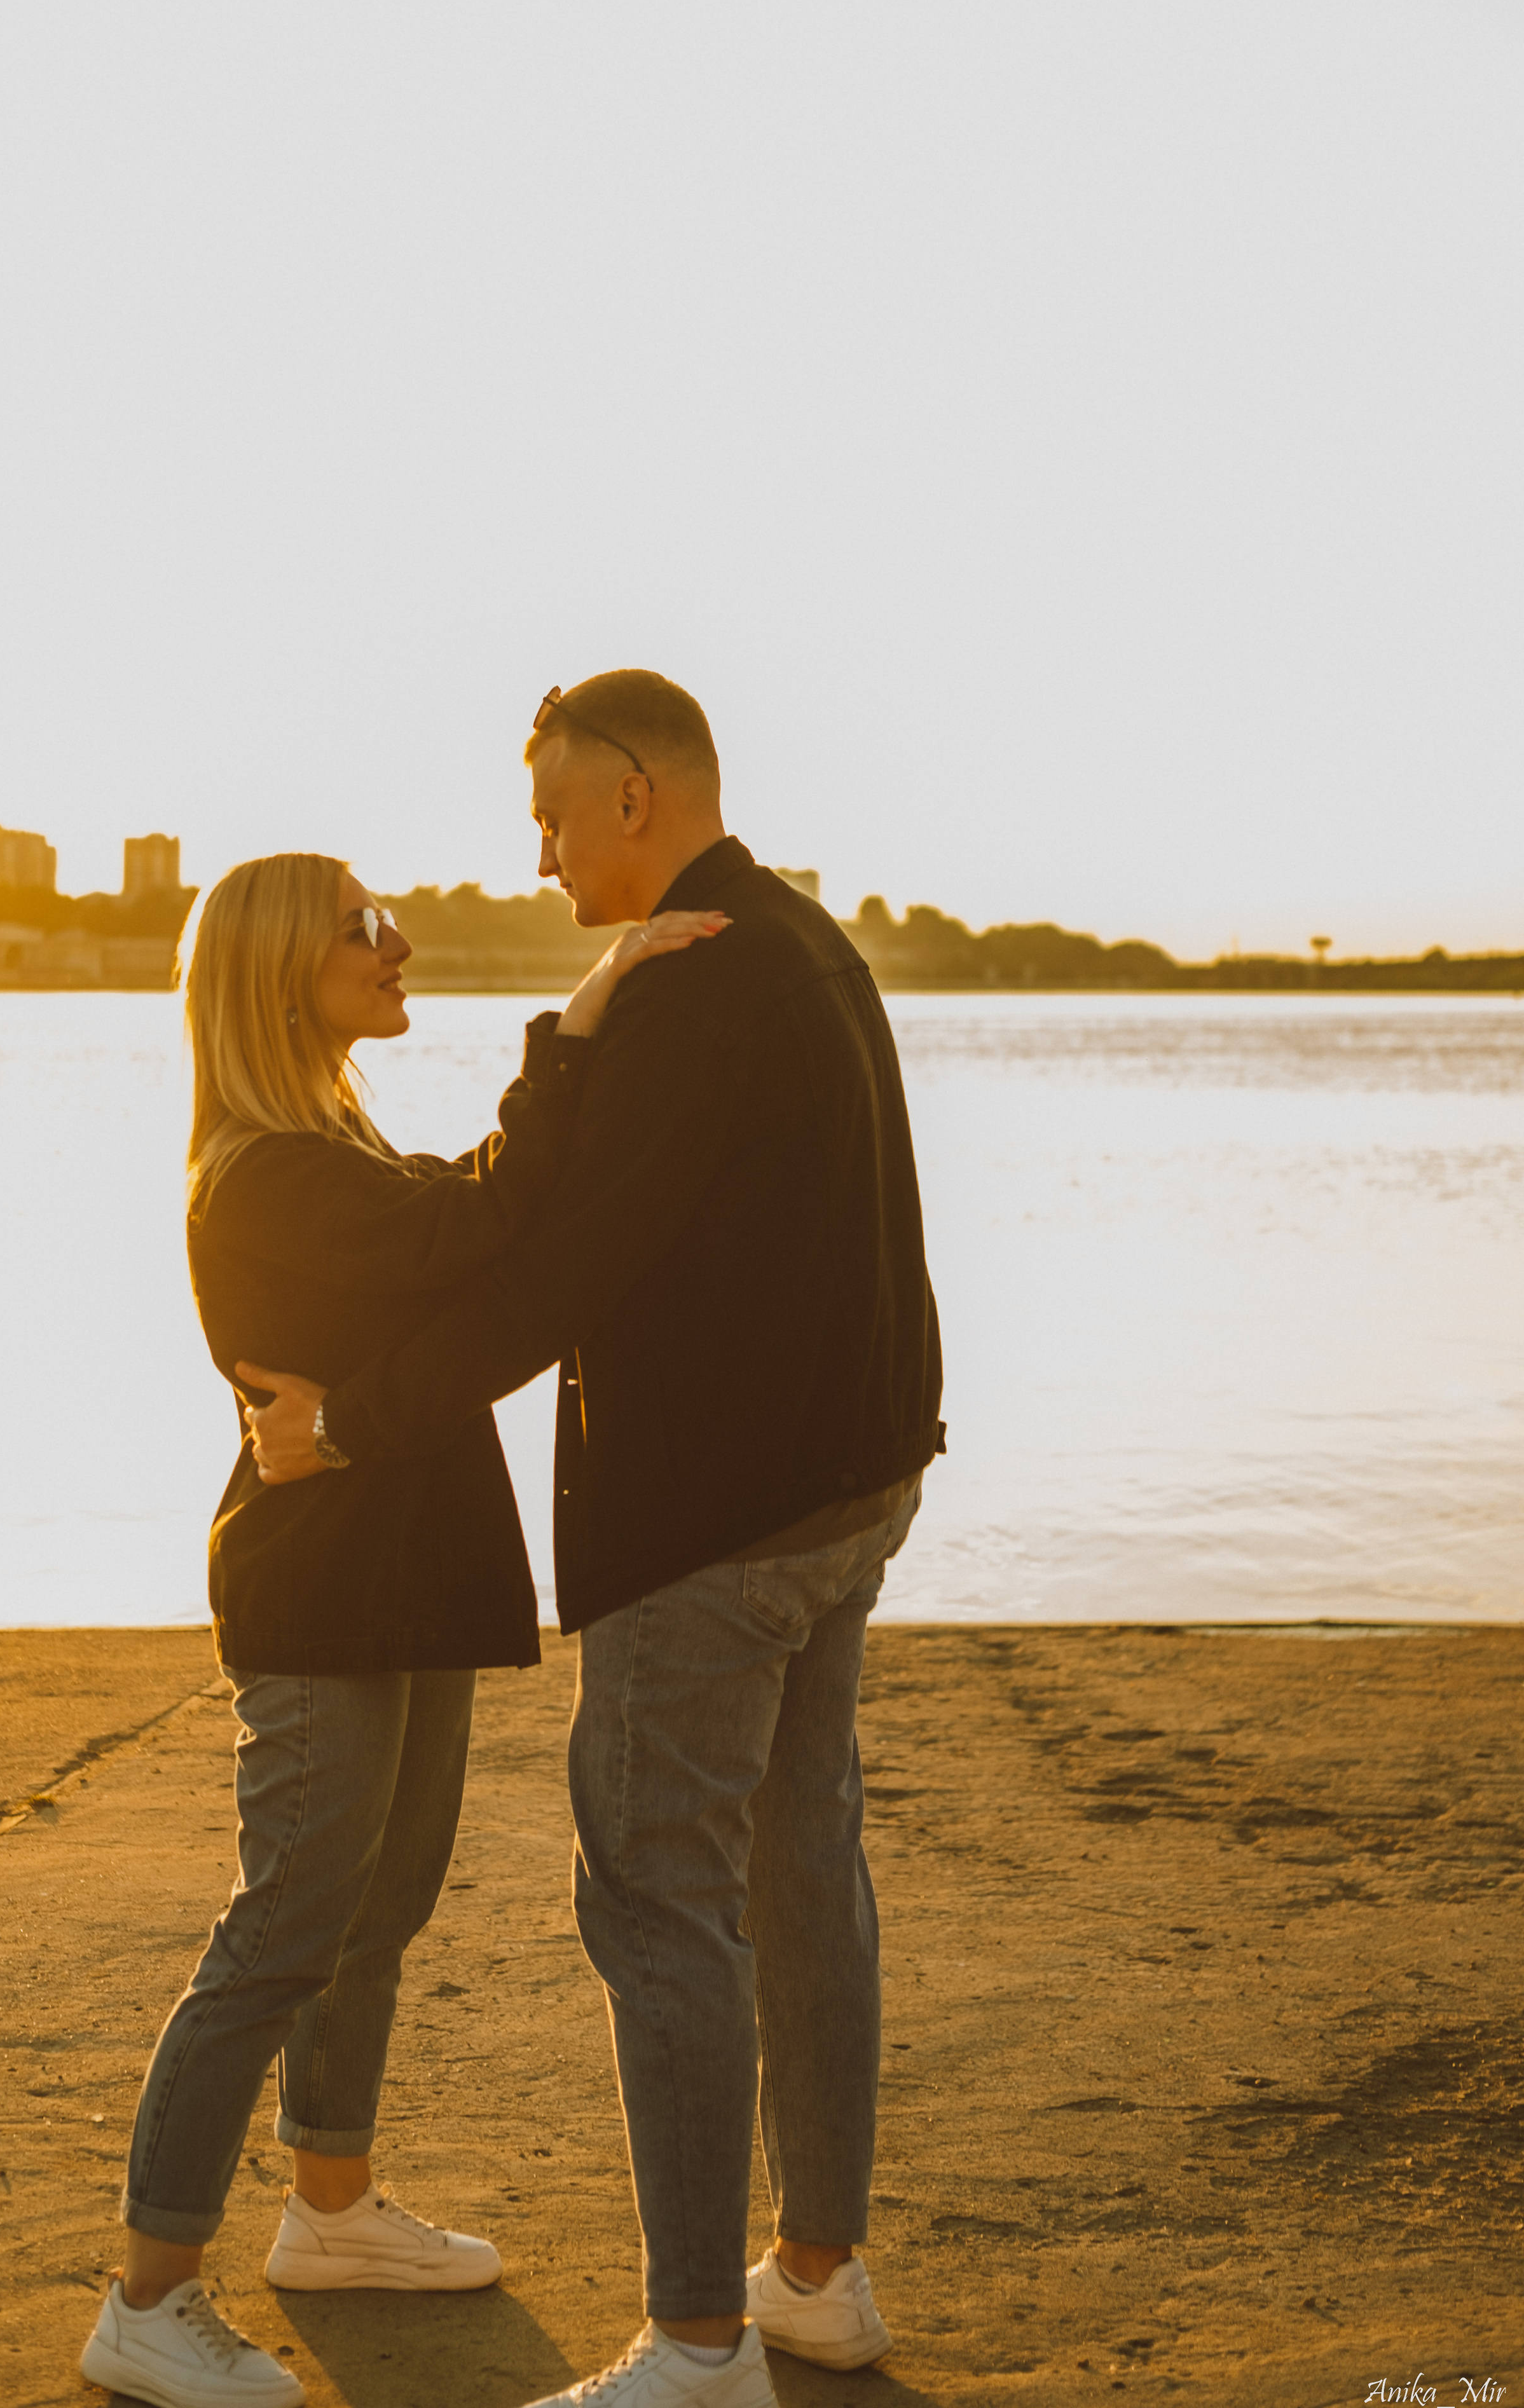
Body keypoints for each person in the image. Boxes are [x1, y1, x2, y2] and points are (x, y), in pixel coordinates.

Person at [247, 672, 944, 2408]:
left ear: (634, 798)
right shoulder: (810, 946)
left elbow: (558, 1271)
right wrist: (570, 1030)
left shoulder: (699, 991)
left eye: (553, 816)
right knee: (802, 1871)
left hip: (719, 1521)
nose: (537, 851)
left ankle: (700, 2342)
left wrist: (346, 1424)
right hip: (851, 1489)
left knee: (658, 1901)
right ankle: (819, 2282)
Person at [81, 850, 727, 2408]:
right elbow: (484, 1229)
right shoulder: (269, 1173)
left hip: (403, 1568)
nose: (400, 942)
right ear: (277, 969)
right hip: (323, 1593)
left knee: (379, 1906)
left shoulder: (330, 1138)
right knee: (287, 1925)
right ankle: (148, 2297)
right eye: (362, 928)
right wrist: (574, 1022)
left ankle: (332, 2211)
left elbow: (461, 1238)